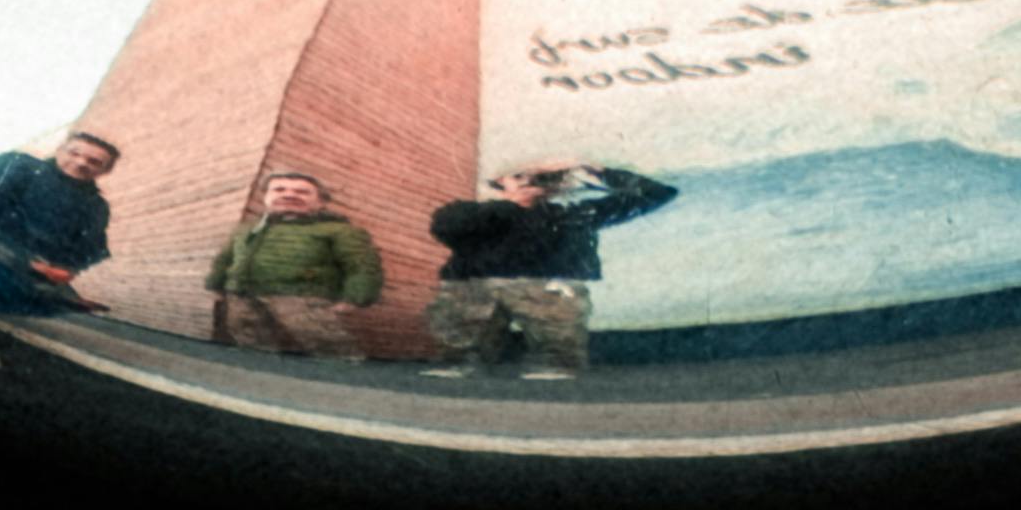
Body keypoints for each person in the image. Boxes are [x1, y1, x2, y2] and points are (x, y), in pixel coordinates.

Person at [420, 157, 676, 379]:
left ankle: (556, 365)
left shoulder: (572, 214)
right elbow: (444, 225)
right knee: (462, 321)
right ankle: (460, 361)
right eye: (519, 176)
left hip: (548, 290)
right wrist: (511, 202)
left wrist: (598, 171)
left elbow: (657, 193)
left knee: (557, 341)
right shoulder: (479, 214)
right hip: (476, 288)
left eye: (542, 178)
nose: (530, 181)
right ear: (499, 182)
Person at [203, 161, 387, 357]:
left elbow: (363, 266)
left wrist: (356, 298)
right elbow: (225, 258)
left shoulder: (340, 231)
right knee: (252, 344)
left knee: (330, 348)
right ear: (266, 197)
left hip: (302, 299)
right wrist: (215, 284)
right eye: (279, 189)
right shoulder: (247, 229)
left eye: (302, 192)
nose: (289, 195)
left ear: (320, 202)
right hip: (241, 296)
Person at [0, 125, 120, 294]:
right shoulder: (18, 164)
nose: (81, 163)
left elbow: (89, 249)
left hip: (31, 278)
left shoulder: (97, 206)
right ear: (59, 150)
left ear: (105, 171)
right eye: (74, 153)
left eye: (94, 162)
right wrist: (22, 259)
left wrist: (64, 269)